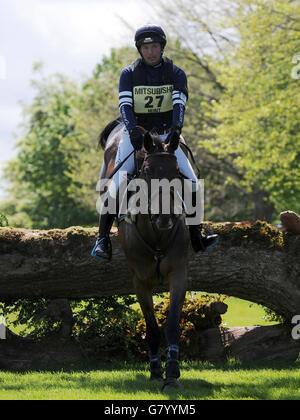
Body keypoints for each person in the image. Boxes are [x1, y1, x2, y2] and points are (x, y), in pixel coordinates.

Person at [92, 25, 218, 262]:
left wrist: (176, 131)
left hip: (167, 134)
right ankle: (102, 239)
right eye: (146, 48)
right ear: (140, 50)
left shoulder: (176, 73)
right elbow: (125, 107)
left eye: (154, 47)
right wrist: (133, 133)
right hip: (136, 134)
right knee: (117, 185)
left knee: (192, 183)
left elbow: (179, 106)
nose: (150, 52)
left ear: (162, 47)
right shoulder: (128, 74)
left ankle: (197, 234)